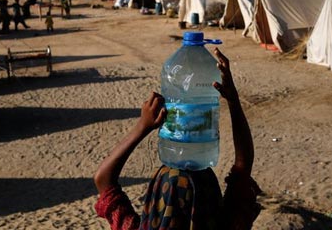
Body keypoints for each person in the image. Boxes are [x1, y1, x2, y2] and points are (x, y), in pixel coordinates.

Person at [94, 49, 260, 230]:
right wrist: (233, 99)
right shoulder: (227, 225)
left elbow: (103, 179)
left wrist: (142, 126)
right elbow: (243, 167)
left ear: (155, 201)